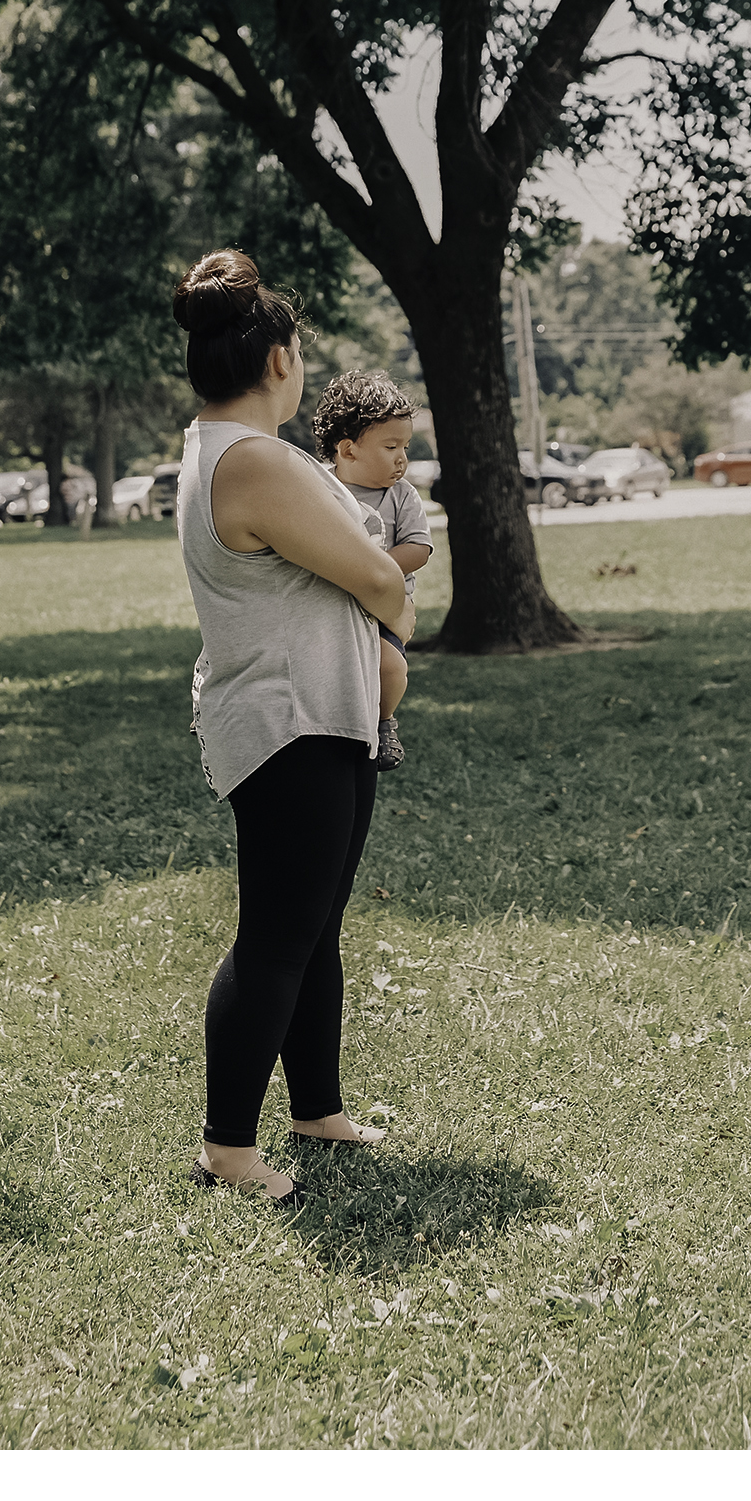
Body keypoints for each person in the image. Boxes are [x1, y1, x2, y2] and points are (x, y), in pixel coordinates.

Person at [170, 250, 414, 1204]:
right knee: (276, 937)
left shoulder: (221, 450)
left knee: (313, 926)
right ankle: (227, 1150)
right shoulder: (256, 460)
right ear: (278, 359)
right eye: (299, 351)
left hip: (318, 714)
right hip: (290, 724)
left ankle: (317, 1109)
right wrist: (393, 607)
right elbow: (380, 575)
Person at [305, 369, 437, 769]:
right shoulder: (318, 488)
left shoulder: (401, 496)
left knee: (389, 666)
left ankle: (383, 722)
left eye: (405, 446)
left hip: (382, 609)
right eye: (391, 446)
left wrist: (369, 569)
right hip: (328, 603)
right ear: (348, 451)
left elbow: (419, 548)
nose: (402, 458)